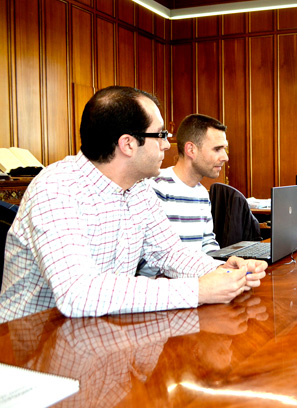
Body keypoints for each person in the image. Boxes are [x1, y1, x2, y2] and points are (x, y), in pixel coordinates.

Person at [0, 86, 266, 323]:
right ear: (127, 143)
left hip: (101, 331)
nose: (166, 145)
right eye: (160, 134)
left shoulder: (138, 189)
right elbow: (78, 293)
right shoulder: (56, 189)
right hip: (31, 347)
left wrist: (224, 271)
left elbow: (169, 253)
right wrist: (198, 290)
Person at [138, 114, 227, 277]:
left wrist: (223, 268)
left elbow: (207, 245)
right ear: (191, 150)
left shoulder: (202, 193)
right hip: (167, 289)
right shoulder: (155, 188)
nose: (225, 157)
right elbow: (148, 262)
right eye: (217, 149)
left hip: (197, 280)